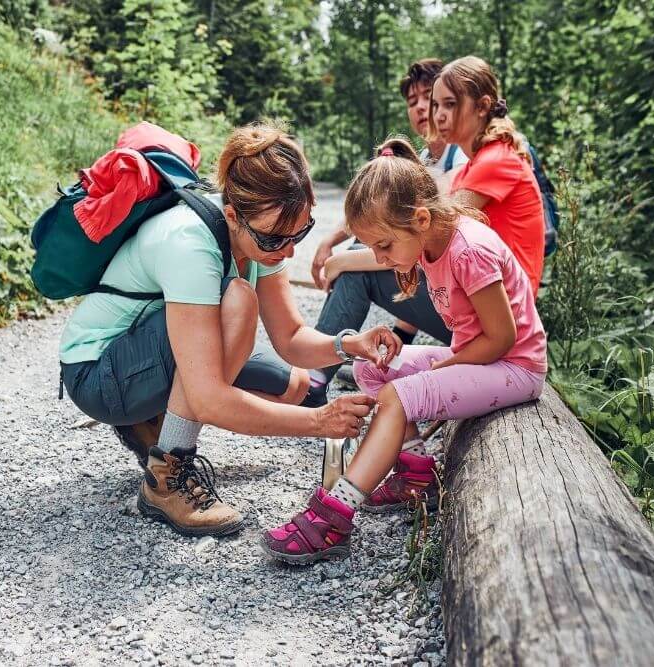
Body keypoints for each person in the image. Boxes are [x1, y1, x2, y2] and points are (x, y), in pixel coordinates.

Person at [59, 120, 402, 538]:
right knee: (239, 302)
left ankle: (153, 416)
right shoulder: (190, 243)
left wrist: (350, 344)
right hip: (98, 372)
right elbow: (208, 399)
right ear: (232, 215)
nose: (289, 250)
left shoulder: (264, 233)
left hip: (145, 353)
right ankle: (167, 477)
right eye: (277, 239)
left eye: (301, 231)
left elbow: (292, 338)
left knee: (294, 387)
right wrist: (319, 422)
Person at [261, 137, 547, 564]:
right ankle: (416, 473)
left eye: (384, 245)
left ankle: (333, 515)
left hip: (514, 368)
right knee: (373, 367)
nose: (378, 256)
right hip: (482, 357)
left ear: (421, 217)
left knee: (399, 394)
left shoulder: (469, 250)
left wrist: (442, 368)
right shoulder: (428, 241)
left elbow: (502, 338)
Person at [306, 59, 468, 403]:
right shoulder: (425, 158)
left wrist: (343, 261)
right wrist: (331, 241)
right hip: (452, 294)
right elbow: (384, 221)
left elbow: (430, 244)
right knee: (364, 245)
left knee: (355, 269)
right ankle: (324, 368)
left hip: (481, 307)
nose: (424, 107)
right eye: (414, 102)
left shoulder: (462, 160)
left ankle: (314, 379)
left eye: (432, 98)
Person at [431, 55, 545, 296]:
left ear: (482, 107)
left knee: (360, 276)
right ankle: (390, 335)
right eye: (436, 105)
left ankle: (337, 335)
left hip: (508, 307)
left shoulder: (495, 160)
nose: (439, 115)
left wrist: (346, 261)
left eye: (450, 104)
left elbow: (433, 234)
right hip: (487, 294)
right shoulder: (476, 163)